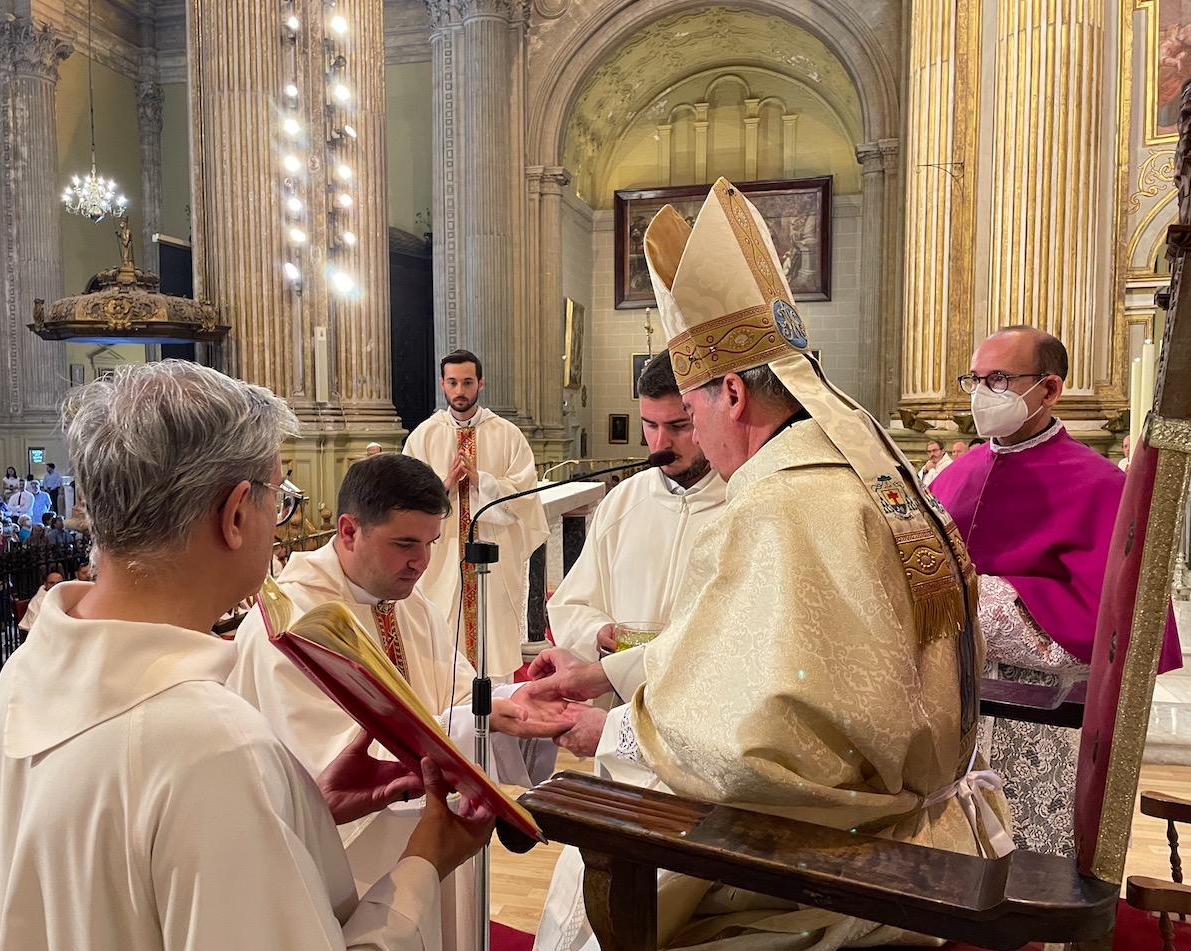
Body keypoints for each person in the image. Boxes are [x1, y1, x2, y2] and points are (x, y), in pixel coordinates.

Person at [529, 178, 1006, 950]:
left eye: (691, 412)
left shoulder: (779, 504)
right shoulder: (851, 465)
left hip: (828, 862)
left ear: (729, 393)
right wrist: (608, 675)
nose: (687, 438)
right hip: (905, 822)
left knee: (589, 899)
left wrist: (606, 731)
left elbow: (755, 750)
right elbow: (769, 659)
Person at [0, 359, 494, 951]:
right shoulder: (206, 744)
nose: (278, 523)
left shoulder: (29, 670)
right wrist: (421, 868)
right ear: (235, 514)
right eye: (277, 498)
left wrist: (303, 814)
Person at [230, 452, 578, 951]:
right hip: (358, 862)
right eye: (404, 544)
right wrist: (474, 720)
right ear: (348, 531)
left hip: (434, 841)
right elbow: (330, 763)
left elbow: (458, 695)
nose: (422, 562)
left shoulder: (409, 603)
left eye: (431, 543)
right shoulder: (291, 626)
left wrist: (514, 700)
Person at [929, 325, 1182, 856]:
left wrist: (981, 599)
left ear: (1048, 390)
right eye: (974, 379)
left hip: (1039, 715)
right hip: (947, 703)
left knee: (1029, 859)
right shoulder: (957, 473)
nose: (981, 393)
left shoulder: (1099, 485)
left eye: (997, 379)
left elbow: (1113, 623)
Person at [547, 350, 727, 660]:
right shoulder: (622, 501)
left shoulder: (740, 502)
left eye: (678, 426)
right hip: (623, 695)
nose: (659, 444)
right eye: (650, 425)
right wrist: (596, 631)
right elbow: (572, 605)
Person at [403, 350, 550, 679]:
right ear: (442, 384)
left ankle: (497, 714)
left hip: (493, 561)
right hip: (440, 561)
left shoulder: (507, 435)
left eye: (467, 382)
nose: (460, 390)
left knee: (492, 642)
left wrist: (481, 480)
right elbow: (407, 501)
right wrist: (447, 485)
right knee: (441, 639)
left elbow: (524, 495)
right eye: (452, 382)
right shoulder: (422, 437)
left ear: (480, 383)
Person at [18, 570, 64, 635]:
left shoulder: (66, 595)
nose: (55, 586)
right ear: (45, 584)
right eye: (51, 583)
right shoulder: (37, 601)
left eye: (59, 582)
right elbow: (35, 625)